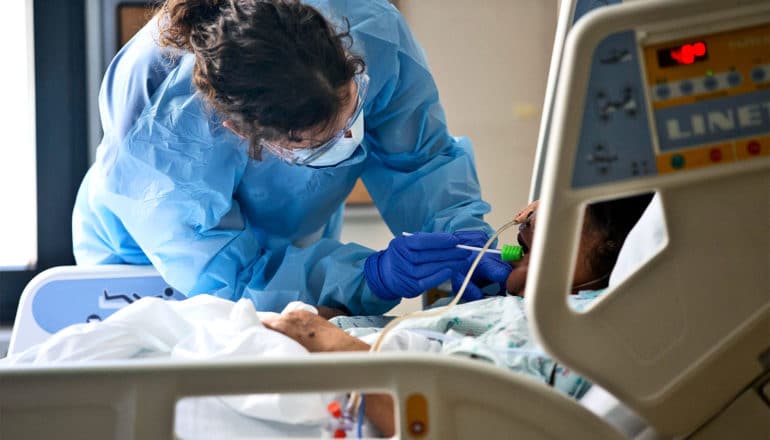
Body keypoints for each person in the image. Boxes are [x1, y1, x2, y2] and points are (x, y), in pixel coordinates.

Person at [72, 0, 511, 316]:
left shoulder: (368, 26)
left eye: (353, 108)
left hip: (296, 229)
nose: (349, 139)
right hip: (156, 256)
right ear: (243, 132)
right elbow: (230, 276)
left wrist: (466, 239)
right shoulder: (158, 124)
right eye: (320, 142)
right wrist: (371, 276)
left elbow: (422, 161)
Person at [263, 193, 654, 436]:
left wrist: (324, 339)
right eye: (545, 201)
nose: (527, 219)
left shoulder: (568, 327)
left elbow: (447, 418)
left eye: (567, 213)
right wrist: (333, 315)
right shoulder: (516, 308)